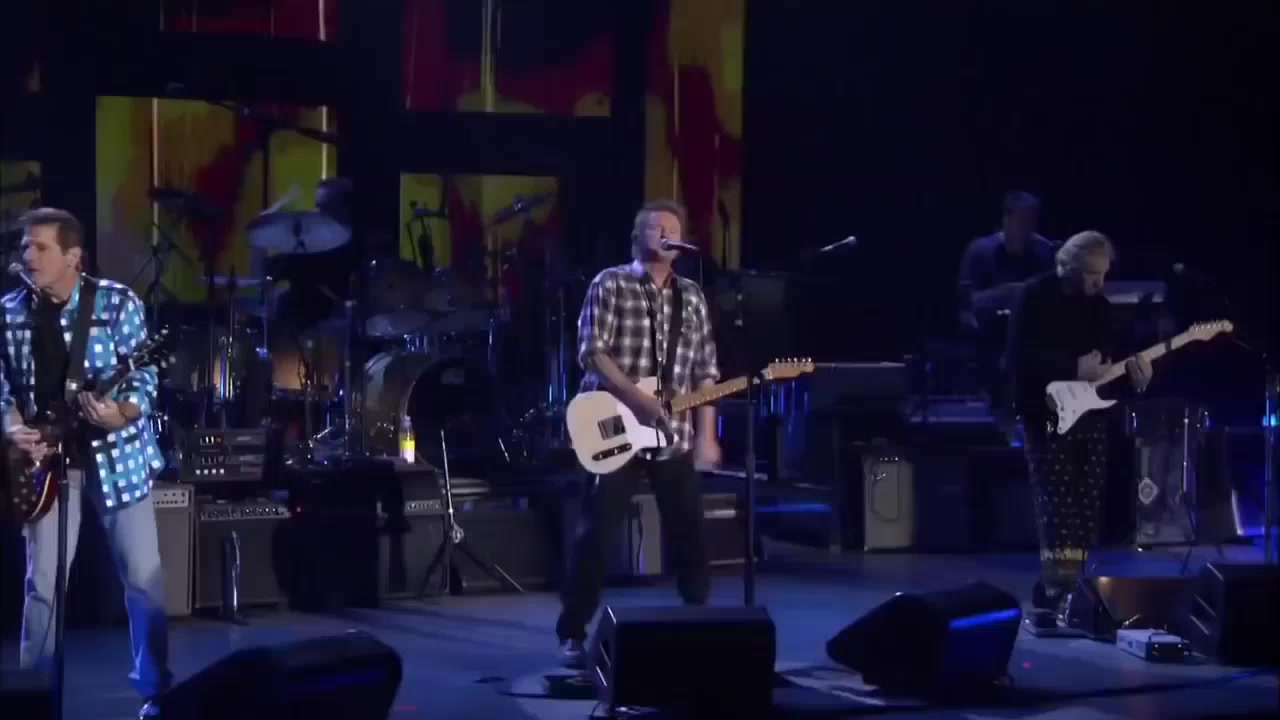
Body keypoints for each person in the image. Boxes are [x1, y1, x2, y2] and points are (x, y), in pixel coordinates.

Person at [1, 208, 171, 718]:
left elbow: (144, 377)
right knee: (43, 585)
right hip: (46, 462)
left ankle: (157, 692)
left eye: (40, 247)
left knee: (142, 578)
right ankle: (35, 697)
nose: (27, 255)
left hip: (117, 457)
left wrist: (123, 411)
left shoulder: (116, 303)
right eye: (24, 246)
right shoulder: (9, 311)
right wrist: (11, 425)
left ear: (73, 256)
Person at [557, 199, 721, 668]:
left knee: (690, 532)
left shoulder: (692, 295)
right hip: (614, 425)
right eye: (655, 227)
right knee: (595, 534)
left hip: (674, 434)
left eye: (673, 228)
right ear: (637, 237)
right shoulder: (610, 283)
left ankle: (700, 621)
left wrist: (707, 434)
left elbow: (706, 370)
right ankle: (572, 633)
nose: (665, 233)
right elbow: (593, 353)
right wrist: (639, 401)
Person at [1005, 230, 1152, 613]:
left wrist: (1133, 374)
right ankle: (1059, 585)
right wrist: (1071, 367)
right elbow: (1020, 357)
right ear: (1068, 268)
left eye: (1103, 273)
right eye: (1091, 274)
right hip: (1046, 415)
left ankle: (1075, 585)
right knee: (1057, 507)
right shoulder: (1033, 296)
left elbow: (1109, 361)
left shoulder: (1099, 307)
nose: (1098, 282)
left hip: (1091, 415)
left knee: (1087, 506)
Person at [957, 191, 1058, 412]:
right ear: (1006, 220)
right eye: (1021, 221)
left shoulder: (1046, 251)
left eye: (1031, 221)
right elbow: (967, 305)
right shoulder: (980, 251)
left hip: (1032, 341)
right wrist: (1010, 294)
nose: (1026, 229)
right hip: (988, 340)